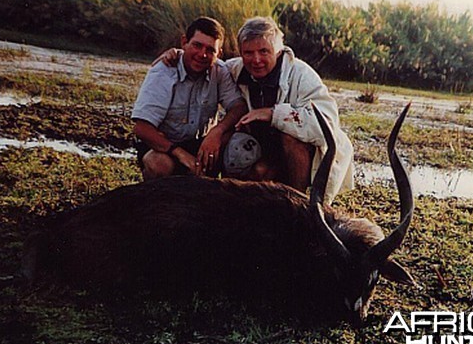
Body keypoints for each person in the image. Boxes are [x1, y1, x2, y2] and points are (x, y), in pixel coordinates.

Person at [158, 17, 354, 203]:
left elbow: (327, 126)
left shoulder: (302, 75)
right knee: (236, 143)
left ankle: (298, 203)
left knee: (292, 138)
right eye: (248, 53)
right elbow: (203, 65)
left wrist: (273, 114)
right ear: (241, 53)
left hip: (298, 159)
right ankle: (227, 201)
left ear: (278, 51)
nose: (256, 60)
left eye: (264, 51)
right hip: (262, 151)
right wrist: (178, 55)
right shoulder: (233, 70)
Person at [132, 16, 247, 180]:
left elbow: (239, 106)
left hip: (202, 143)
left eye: (210, 50)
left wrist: (217, 132)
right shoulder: (163, 71)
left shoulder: (220, 71)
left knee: (238, 144)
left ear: (219, 53)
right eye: (197, 45)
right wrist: (180, 154)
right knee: (158, 163)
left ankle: (221, 194)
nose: (203, 54)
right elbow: (141, 128)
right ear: (184, 42)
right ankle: (157, 201)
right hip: (165, 146)